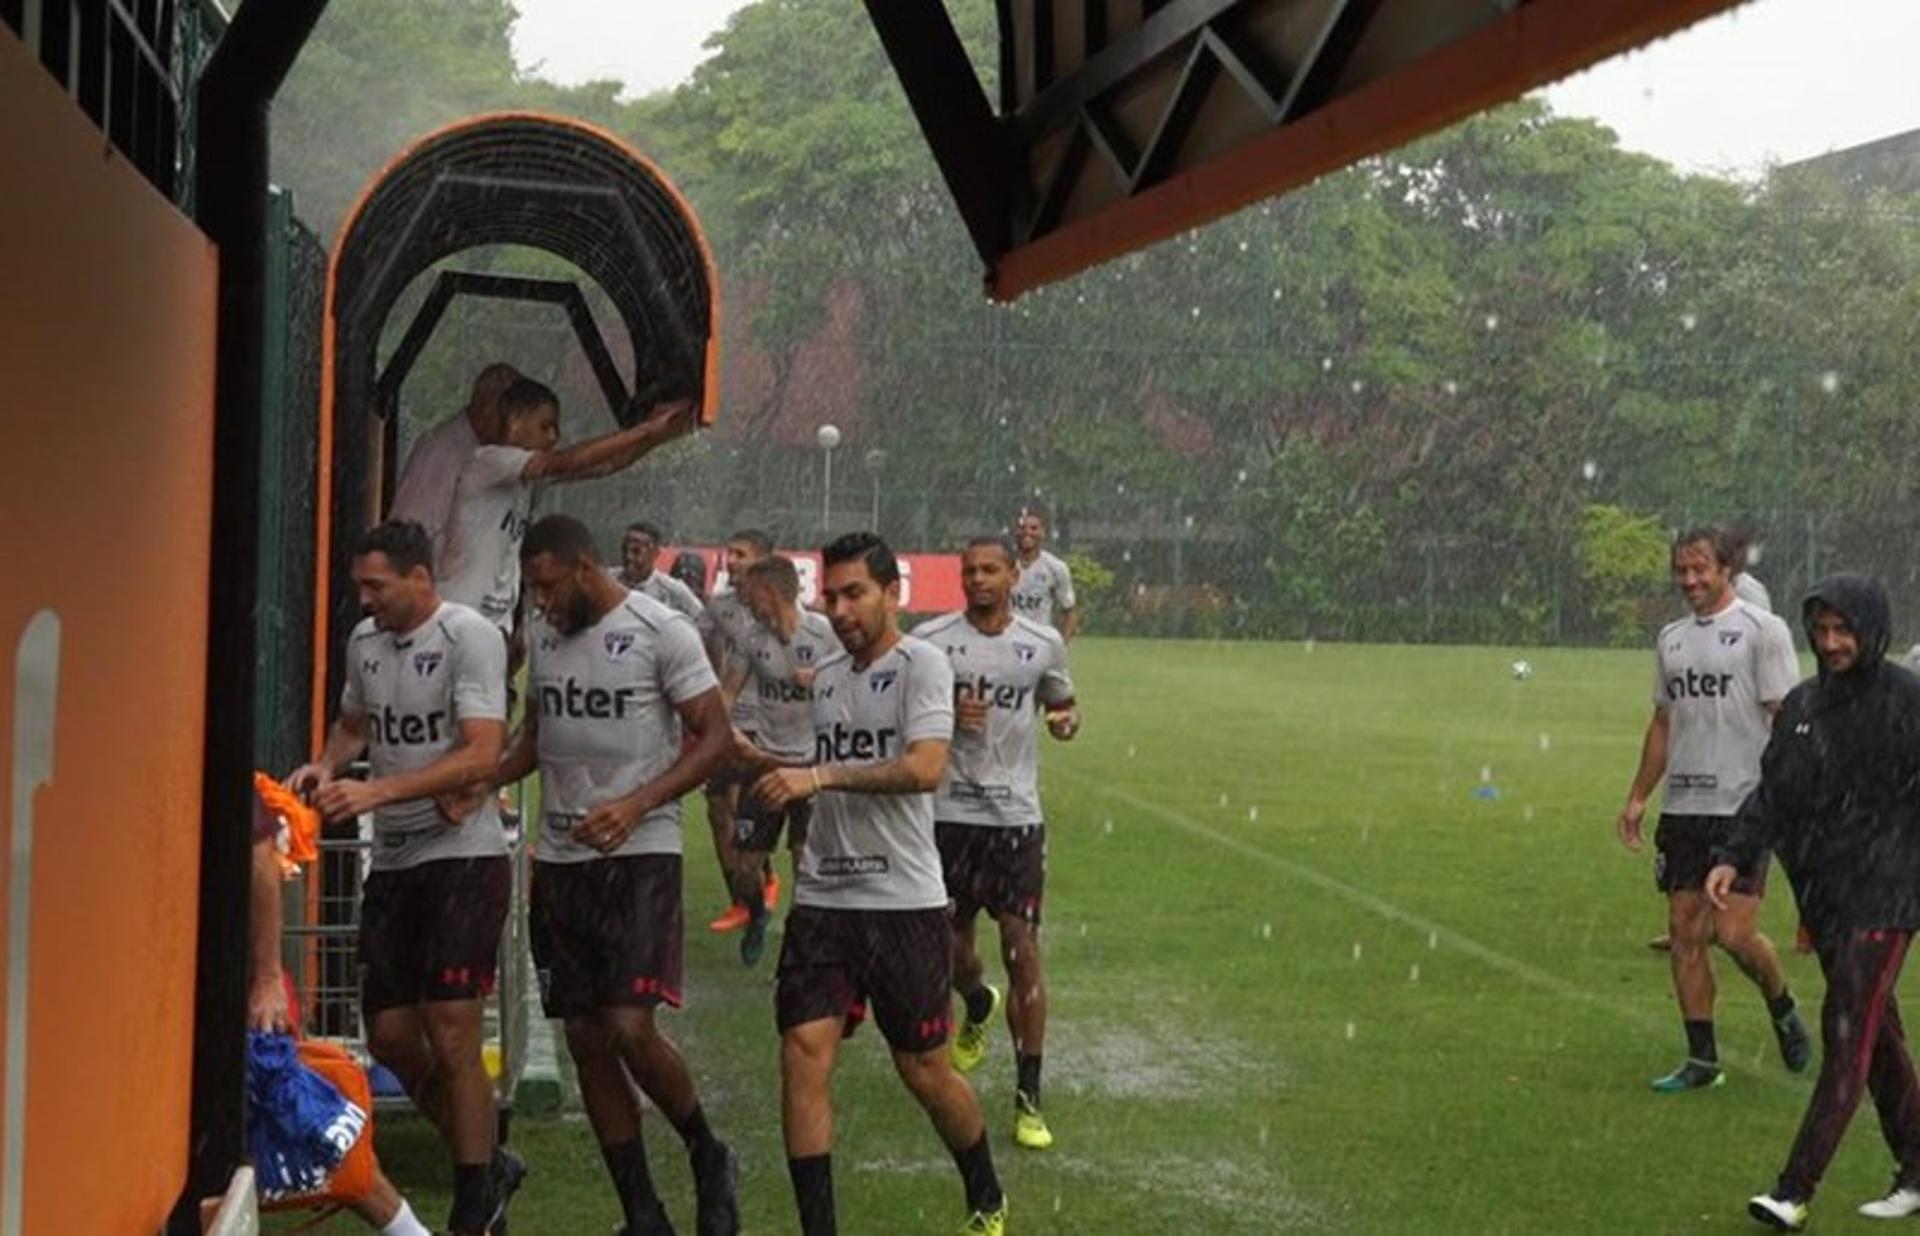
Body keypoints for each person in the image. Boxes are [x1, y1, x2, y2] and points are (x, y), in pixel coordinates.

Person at [749, 532, 1008, 1236]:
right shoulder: (828, 677)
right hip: (825, 903)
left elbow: (924, 768)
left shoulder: (923, 664)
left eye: (855, 593)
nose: (840, 608)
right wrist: (758, 763)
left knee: (924, 1070)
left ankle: (985, 1190)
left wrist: (821, 775)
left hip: (903, 904)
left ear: (893, 594)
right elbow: (813, 765)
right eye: (831, 595)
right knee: (802, 1055)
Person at [493, 515, 741, 1236]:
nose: (538, 603)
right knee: (586, 1036)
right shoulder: (545, 635)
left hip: (640, 851)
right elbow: (534, 740)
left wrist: (636, 803)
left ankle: (706, 1151)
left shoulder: (662, 630)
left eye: (545, 585)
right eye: (531, 590)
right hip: (563, 858)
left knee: (629, 1025)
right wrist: (476, 780)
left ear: (584, 567)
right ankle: (642, 1213)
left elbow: (715, 736)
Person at [288, 520, 520, 1236]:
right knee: (389, 1035)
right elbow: (354, 722)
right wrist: (328, 764)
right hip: (393, 857)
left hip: (461, 854)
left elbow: (483, 752)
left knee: (453, 1031)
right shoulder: (366, 644)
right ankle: (482, 1157)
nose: (365, 601)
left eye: (375, 586)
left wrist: (379, 793)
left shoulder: (470, 636)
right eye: (361, 586)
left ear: (422, 579)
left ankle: (473, 1201)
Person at [1709, 576, 1920, 1231]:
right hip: (1827, 896)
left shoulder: (1907, 701)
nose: (1831, 643)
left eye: (1843, 631)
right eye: (1822, 630)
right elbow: (1773, 793)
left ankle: (1794, 1191)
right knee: (1877, 1038)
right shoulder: (1804, 705)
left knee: (1847, 1030)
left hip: (1889, 893)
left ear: (1872, 629)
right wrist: (1732, 853)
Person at [1616, 525, 1809, 1092]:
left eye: (1701, 569)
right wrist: (1637, 796)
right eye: (1682, 570)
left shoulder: (1761, 632)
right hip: (1685, 809)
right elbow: (1662, 722)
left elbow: (1786, 719)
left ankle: (1780, 1002)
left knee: (1733, 933)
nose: (1690, 580)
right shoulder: (1672, 640)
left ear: (1727, 570)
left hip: (1744, 807)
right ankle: (1702, 1059)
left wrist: (1791, 795)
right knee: (1683, 930)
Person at [916, 536, 1078, 1152]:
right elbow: (909, 718)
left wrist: (1066, 723)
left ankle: (1028, 1097)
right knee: (954, 952)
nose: (978, 579)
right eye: (968, 571)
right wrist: (949, 717)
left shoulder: (1042, 645)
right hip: (949, 815)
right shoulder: (931, 642)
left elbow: (1064, 706)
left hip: (1015, 820)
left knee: (1022, 947)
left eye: (989, 569)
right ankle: (977, 1002)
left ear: (1014, 575)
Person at [248, 787, 431, 1236]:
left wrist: (267, 977)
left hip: (239, 993)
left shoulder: (211, 765)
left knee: (319, 1134)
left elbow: (259, 854)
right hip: (202, 992)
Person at [436, 377, 696, 635]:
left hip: (494, 624)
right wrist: (646, 429)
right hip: (459, 617)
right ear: (515, 423)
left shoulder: (527, 481)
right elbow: (562, 462)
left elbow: (603, 465)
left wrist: (661, 436)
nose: (553, 436)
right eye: (545, 426)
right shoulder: (489, 461)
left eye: (556, 428)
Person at [722, 555, 839, 966]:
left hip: (811, 767)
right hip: (766, 764)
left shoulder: (824, 634)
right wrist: (729, 734)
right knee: (743, 867)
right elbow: (727, 694)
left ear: (769, 593)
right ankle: (757, 912)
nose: (744, 599)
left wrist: (822, 680)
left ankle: (798, 946)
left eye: (750, 592)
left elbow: (853, 684)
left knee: (806, 865)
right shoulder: (750, 638)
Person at [698, 530, 776, 934]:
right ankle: (742, 899)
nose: (731, 560)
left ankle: (762, 878)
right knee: (717, 808)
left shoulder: (778, 605)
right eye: (728, 552)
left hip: (769, 729)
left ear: (762, 560)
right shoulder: (718, 607)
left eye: (740, 553)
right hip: (730, 724)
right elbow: (706, 652)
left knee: (750, 811)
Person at [388, 362, 519, 569]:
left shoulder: (497, 456)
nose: (515, 427)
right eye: (511, 416)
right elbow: (410, 532)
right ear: (487, 409)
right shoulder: (441, 452)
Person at [614, 520, 706, 621]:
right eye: (624, 550)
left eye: (636, 551)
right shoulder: (609, 582)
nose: (629, 557)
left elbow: (703, 623)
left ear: (655, 553)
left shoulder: (673, 591)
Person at [1008, 509, 1077, 642]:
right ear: (1015, 532)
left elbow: (1069, 611)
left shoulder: (1056, 567)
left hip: (1039, 642)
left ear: (1043, 532)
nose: (1027, 532)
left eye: (1034, 528)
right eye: (1022, 528)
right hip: (1008, 641)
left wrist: (1061, 646)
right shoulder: (1003, 564)